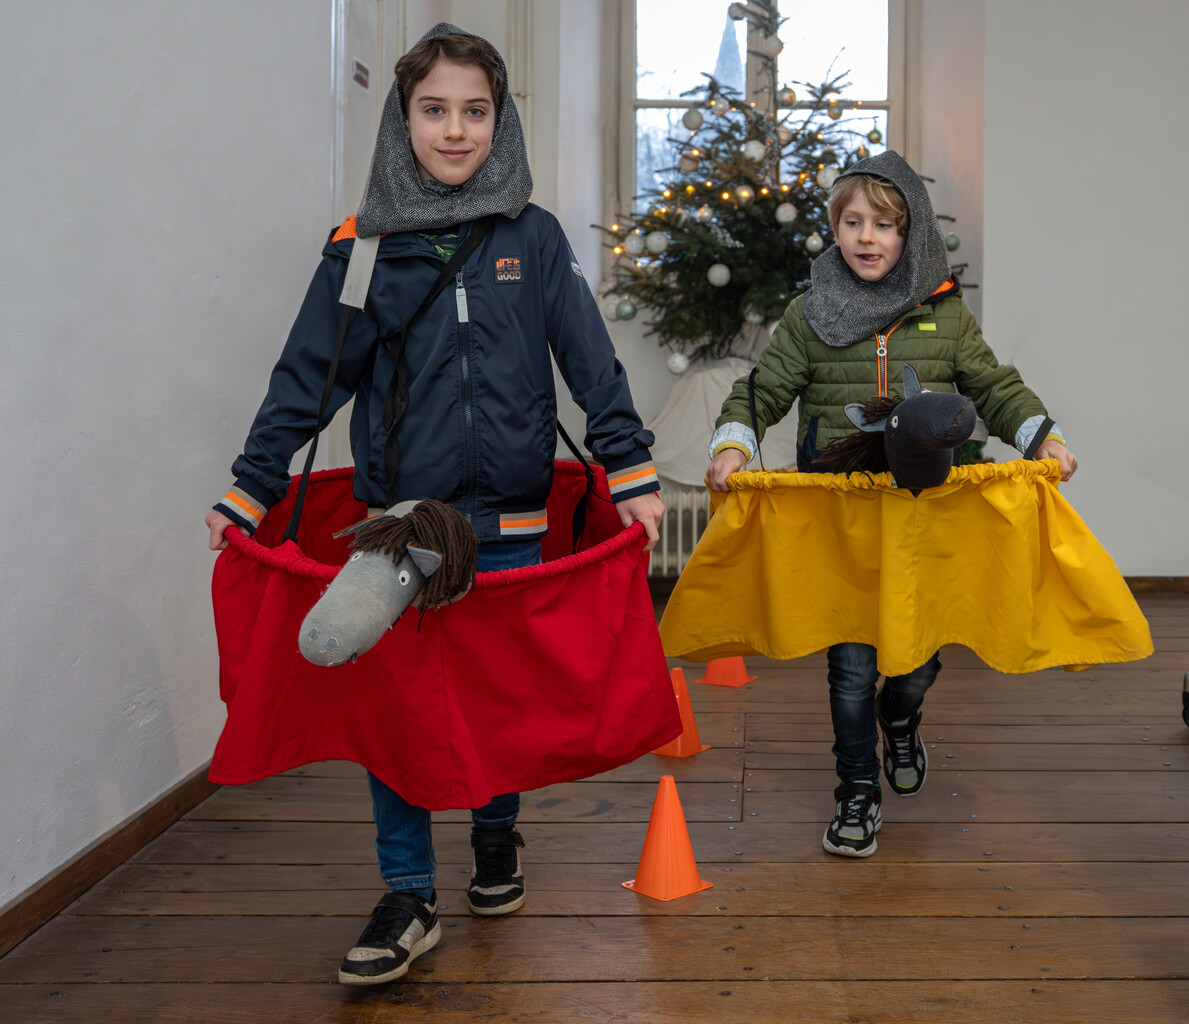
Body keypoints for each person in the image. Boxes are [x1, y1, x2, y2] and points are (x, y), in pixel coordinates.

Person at [204, 23, 664, 984]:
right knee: (396, 712)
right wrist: (251, 486)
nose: (455, 130)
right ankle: (407, 892)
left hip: (512, 524)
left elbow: (589, 361)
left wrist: (629, 471)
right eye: (434, 110)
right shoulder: (360, 248)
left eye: (474, 111)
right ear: (401, 119)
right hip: (400, 529)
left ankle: (496, 840)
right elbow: (309, 377)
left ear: (500, 123)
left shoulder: (533, 237)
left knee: (498, 701)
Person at [705, 150, 1077, 859]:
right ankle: (856, 790)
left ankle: (900, 718)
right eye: (852, 222)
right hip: (841, 518)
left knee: (917, 656)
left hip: (926, 517)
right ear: (834, 230)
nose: (866, 237)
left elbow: (995, 387)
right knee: (850, 664)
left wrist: (1043, 436)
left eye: (883, 224)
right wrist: (734, 444)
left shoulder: (945, 316)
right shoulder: (809, 314)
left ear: (911, 234)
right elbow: (762, 389)